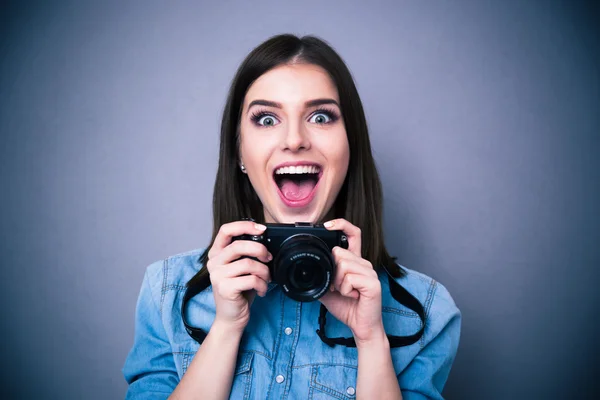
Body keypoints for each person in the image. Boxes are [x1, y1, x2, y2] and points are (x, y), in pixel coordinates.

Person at [122, 34, 461, 400]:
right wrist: (225, 328)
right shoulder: (166, 293)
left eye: (320, 116)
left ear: (351, 147)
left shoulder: (428, 313)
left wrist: (371, 339)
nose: (295, 139)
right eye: (267, 119)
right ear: (239, 152)